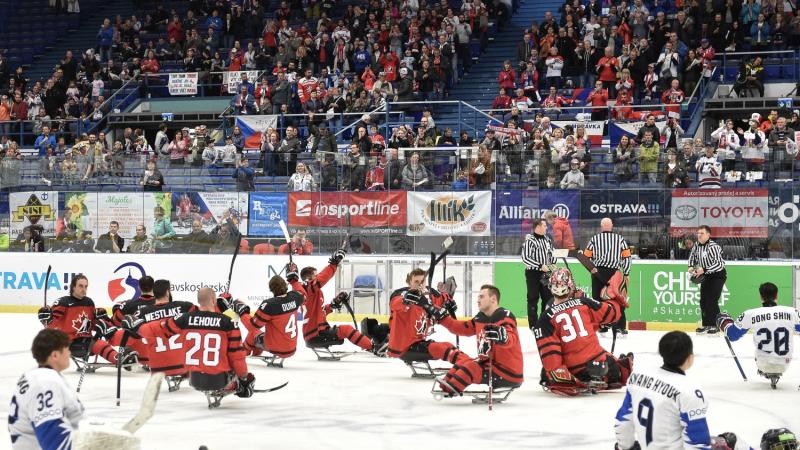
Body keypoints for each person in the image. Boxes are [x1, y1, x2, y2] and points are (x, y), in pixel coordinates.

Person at [123, 287, 254, 399]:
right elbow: (237, 357)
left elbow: (157, 330)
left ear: (199, 301)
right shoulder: (228, 323)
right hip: (219, 380)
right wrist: (244, 379)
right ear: (214, 300)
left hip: (194, 379)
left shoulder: (185, 318)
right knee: (244, 374)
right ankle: (237, 387)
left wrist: (137, 326)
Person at [535, 268, 632, 396]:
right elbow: (613, 313)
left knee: (545, 373)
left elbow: (551, 358)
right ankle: (612, 373)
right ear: (570, 285)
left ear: (550, 287)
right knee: (619, 366)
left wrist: (558, 377)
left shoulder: (544, 318)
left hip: (573, 371)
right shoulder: (584, 302)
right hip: (599, 363)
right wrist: (614, 298)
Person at [614, 331, 711, 450]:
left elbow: (623, 422)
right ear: (690, 358)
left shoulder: (637, 376)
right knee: (729, 441)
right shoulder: (689, 390)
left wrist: (626, 447)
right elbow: (698, 443)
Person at [433, 284, 523, 397]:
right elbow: (461, 328)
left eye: (481, 297)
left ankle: (452, 389)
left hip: (507, 371)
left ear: (493, 299)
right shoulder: (481, 317)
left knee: (471, 368)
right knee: (463, 362)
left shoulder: (504, 316)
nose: (478, 300)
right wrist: (443, 318)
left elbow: (511, 338)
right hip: (489, 364)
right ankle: (446, 386)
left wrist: (503, 336)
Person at [8, 329, 84, 449]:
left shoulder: (38, 376)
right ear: (55, 355)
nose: (69, 353)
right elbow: (54, 442)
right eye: (67, 349)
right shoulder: (44, 384)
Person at [37, 274, 134, 366]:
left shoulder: (89, 302)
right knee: (98, 344)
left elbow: (92, 325)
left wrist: (101, 318)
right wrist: (47, 319)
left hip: (87, 340)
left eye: (85, 286)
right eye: (80, 286)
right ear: (73, 287)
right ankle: (119, 358)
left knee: (109, 332)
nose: (84, 289)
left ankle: (131, 351)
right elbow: (51, 326)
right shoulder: (63, 303)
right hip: (71, 343)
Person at [717, 282, 800, 384]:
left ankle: (764, 368)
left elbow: (732, 335)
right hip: (785, 363)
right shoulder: (792, 312)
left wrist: (724, 321)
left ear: (761, 296)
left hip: (762, 363)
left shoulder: (750, 314)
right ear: (776, 295)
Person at [296, 249, 375, 352]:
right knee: (347, 329)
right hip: (315, 334)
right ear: (308, 278)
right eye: (315, 275)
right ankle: (373, 347)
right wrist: (334, 263)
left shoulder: (312, 292)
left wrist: (333, 305)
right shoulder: (308, 289)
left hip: (315, 333)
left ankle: (368, 345)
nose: (317, 276)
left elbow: (319, 312)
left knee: (344, 330)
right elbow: (322, 278)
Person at [386, 268, 468, 366]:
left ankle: (470, 362)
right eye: (416, 281)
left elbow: (442, 298)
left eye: (422, 281)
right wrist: (406, 299)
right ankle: (467, 366)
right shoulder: (402, 295)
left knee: (448, 345)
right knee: (441, 349)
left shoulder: (428, 296)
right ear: (409, 283)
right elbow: (395, 304)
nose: (420, 284)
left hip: (419, 343)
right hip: (404, 348)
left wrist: (449, 301)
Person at [123, 279, 197, 378]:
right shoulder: (185, 307)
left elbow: (132, 334)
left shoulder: (142, 313)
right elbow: (204, 316)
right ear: (167, 292)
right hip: (184, 364)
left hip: (157, 366)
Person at [237, 268, 306, 360]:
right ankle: (256, 351)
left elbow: (253, 326)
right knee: (261, 335)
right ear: (286, 285)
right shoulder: (295, 297)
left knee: (253, 333)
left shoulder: (270, 305)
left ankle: (243, 352)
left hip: (276, 347)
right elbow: (303, 294)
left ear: (271, 289)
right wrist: (294, 281)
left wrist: (242, 311)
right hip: (292, 348)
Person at [583, 218, 632, 334]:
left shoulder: (594, 239)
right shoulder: (620, 239)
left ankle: (602, 326)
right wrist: (626, 273)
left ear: (601, 226)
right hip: (614, 273)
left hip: (598, 272)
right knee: (617, 299)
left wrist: (591, 269)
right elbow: (627, 257)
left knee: (598, 300)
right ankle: (619, 327)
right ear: (612, 226)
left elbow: (586, 257)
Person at [688, 225, 727, 334]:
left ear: (708, 235)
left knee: (712, 300)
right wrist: (690, 266)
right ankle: (706, 325)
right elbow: (692, 256)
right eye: (698, 233)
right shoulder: (696, 245)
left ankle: (716, 326)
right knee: (703, 301)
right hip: (706, 275)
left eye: (702, 233)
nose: (699, 235)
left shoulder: (714, 247)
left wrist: (704, 269)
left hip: (718, 275)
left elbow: (719, 264)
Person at [522, 218, 555, 327]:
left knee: (548, 298)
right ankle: (533, 325)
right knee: (533, 298)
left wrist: (553, 263)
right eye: (545, 225)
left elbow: (551, 254)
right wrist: (540, 265)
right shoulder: (530, 240)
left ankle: (543, 322)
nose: (546, 227)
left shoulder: (547, 239)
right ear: (538, 227)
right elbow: (525, 258)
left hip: (546, 274)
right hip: (533, 274)